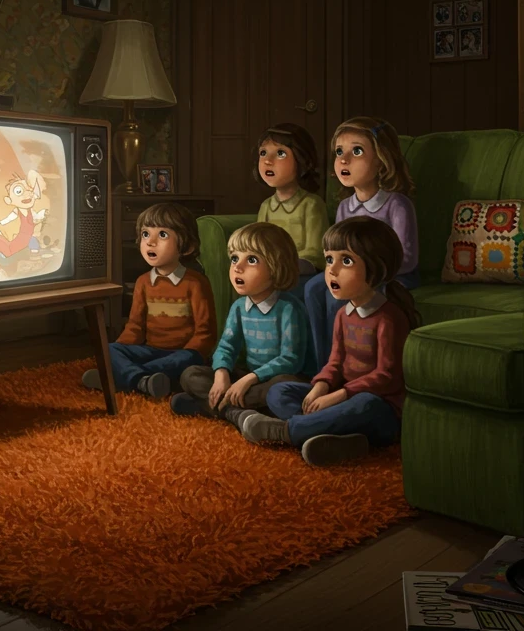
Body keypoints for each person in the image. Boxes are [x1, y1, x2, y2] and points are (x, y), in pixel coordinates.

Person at [242, 216, 421, 466]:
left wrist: (339, 396)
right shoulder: (342, 315)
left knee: (365, 404)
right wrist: (321, 386)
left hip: (379, 408)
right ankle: (341, 438)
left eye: (345, 261)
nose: (332, 270)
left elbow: (386, 376)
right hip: (341, 397)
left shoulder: (389, 318)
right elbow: (335, 362)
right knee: (279, 392)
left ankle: (286, 431)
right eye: (329, 260)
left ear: (376, 267)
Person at [302, 117, 418, 374]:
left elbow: (408, 258)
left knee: (338, 296)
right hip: (351, 273)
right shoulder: (346, 207)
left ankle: (345, 370)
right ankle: (324, 366)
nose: (344, 160)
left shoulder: (397, 205)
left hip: (392, 277)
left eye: (356, 151)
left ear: (381, 160)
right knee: (312, 288)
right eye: (339, 152)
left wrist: (367, 270)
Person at [171, 222, 314, 429]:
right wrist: (221, 374)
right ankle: (239, 414)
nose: (238, 267)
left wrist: (248, 380)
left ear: (276, 266)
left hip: (277, 379)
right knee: (190, 375)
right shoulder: (239, 307)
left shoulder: (289, 308)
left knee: (279, 390)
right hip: (249, 376)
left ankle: (209, 406)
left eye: (252, 260)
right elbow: (226, 347)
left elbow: (291, 359)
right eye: (235, 258)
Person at [84, 203, 216, 398]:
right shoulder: (143, 282)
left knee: (186, 359)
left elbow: (205, 333)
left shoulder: (196, 283)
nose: (150, 242)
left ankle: (124, 378)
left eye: (162, 235)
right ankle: (142, 380)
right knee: (111, 349)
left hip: (183, 354)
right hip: (151, 350)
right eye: (146, 234)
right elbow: (135, 327)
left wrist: (191, 353)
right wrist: (119, 354)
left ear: (187, 246)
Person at [254, 123, 330, 303]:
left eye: (280, 153)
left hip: (301, 274)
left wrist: (283, 268)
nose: (267, 160)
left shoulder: (311, 204)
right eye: (263, 153)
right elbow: (256, 244)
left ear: (302, 161)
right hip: (271, 273)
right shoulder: (266, 206)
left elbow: (316, 253)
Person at [0, 170, 48, 261]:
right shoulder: (18, 210)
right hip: (23, 236)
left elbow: (35, 217)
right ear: (9, 200)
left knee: (33, 244)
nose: (27, 193)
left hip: (29, 235)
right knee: (12, 249)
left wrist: (43, 214)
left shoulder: (30, 210)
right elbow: (10, 218)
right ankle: (3, 254)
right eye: (18, 191)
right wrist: (1, 222)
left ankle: (33, 256)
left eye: (29, 189)